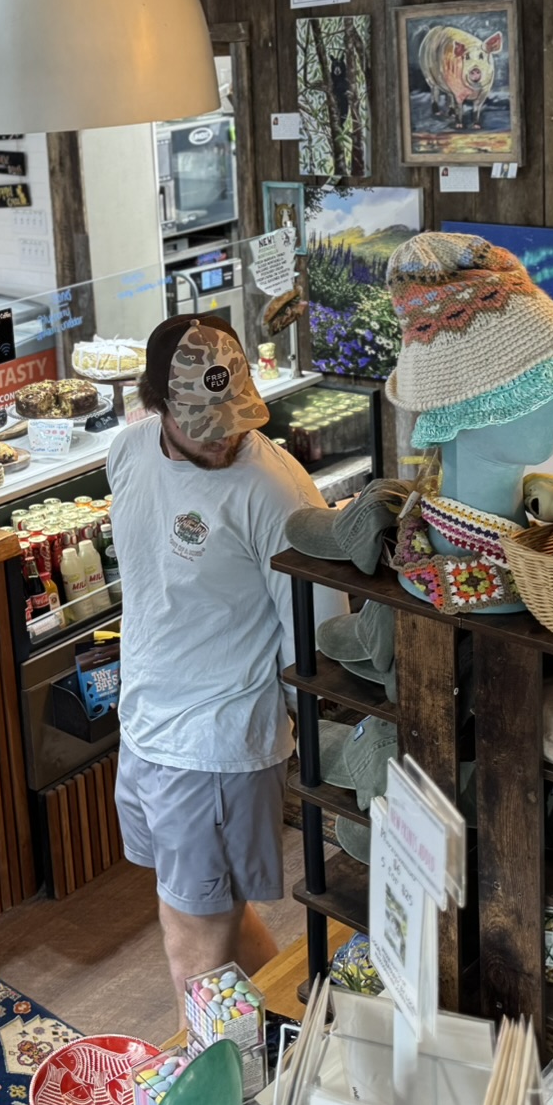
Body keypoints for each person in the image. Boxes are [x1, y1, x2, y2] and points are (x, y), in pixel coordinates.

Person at [107, 314, 342, 1009]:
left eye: (233, 416)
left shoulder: (276, 490)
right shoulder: (127, 452)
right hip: (144, 725)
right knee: (220, 921)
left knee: (191, 948)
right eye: (200, 423)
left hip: (215, 744)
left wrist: (299, 734)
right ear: (154, 404)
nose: (222, 438)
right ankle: (297, 1032)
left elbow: (318, 634)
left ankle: (212, 1071)